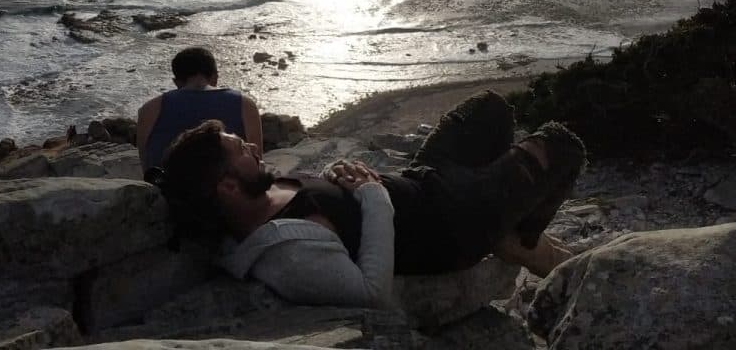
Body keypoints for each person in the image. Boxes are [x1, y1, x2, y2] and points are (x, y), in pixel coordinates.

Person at [153, 91, 585, 308]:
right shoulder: (286, 257)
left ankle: (506, 221)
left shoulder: (261, 187)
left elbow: (326, 196)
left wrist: (336, 172)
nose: (252, 146)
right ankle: (522, 240)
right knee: (562, 146)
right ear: (227, 188)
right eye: (240, 150)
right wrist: (373, 195)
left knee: (491, 108)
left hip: (425, 176)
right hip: (453, 223)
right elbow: (371, 291)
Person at [137, 46, 263, 171]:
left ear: (176, 82)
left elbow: (146, 163)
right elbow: (257, 161)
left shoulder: (150, 109)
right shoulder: (245, 105)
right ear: (215, 76)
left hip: (167, 183)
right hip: (229, 183)